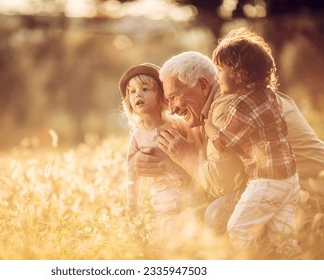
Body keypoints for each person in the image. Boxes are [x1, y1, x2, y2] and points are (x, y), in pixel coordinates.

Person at [133, 47, 324, 256]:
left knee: (216, 214)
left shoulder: (226, 105)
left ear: (203, 85)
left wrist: (183, 155)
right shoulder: (219, 105)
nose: (172, 109)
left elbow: (223, 182)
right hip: (291, 185)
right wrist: (147, 159)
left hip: (308, 192)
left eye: (174, 97)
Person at [203, 27, 300, 254]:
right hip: (289, 179)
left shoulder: (242, 105)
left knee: (238, 229)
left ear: (239, 73)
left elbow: (223, 142)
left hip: (267, 181)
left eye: (220, 70)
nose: (217, 76)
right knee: (283, 238)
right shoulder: (268, 95)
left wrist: (208, 127)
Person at [118, 63, 202, 232]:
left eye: (145, 89)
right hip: (164, 195)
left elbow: (198, 151)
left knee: (194, 230)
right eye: (132, 91)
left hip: (190, 192)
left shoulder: (178, 125)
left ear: (161, 96)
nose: (138, 95)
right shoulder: (137, 136)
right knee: (169, 230)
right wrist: (132, 207)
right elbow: (131, 174)